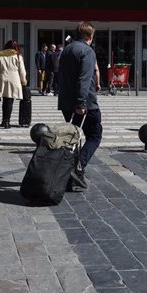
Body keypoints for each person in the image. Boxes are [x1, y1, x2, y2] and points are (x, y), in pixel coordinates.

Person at [57, 21, 102, 189]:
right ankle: (78, 167)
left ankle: (72, 174)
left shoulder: (66, 50)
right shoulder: (87, 51)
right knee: (95, 135)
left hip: (66, 101)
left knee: (75, 138)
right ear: (89, 36)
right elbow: (84, 78)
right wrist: (82, 102)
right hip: (84, 102)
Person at [0, 40, 27, 128]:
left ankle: (4, 120)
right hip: (14, 80)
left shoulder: (0, 56)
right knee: (10, 101)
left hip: (2, 79)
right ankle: (7, 121)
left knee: (5, 101)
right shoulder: (18, 56)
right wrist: (24, 82)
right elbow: (22, 71)